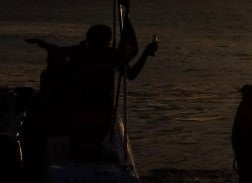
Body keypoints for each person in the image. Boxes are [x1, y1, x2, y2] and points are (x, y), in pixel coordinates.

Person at [26, 24, 158, 157]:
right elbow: (131, 74)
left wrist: (43, 44)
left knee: (79, 140)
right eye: (108, 39)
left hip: (77, 112)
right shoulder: (110, 55)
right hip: (99, 114)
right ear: (106, 40)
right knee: (88, 139)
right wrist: (145, 54)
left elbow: (56, 50)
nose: (108, 42)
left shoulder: (78, 52)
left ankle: (81, 150)